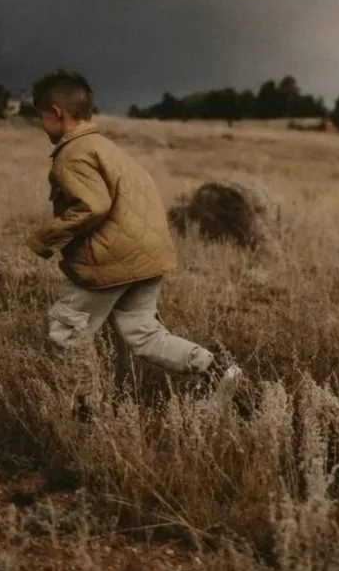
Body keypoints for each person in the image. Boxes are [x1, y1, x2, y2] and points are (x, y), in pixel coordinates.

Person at [26, 69, 241, 407]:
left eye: (40, 116)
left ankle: (85, 413)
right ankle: (216, 370)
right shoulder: (108, 148)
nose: (41, 125)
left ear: (56, 112)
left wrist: (45, 238)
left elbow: (93, 205)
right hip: (148, 254)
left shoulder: (72, 154)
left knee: (66, 329)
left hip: (113, 257)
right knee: (143, 333)